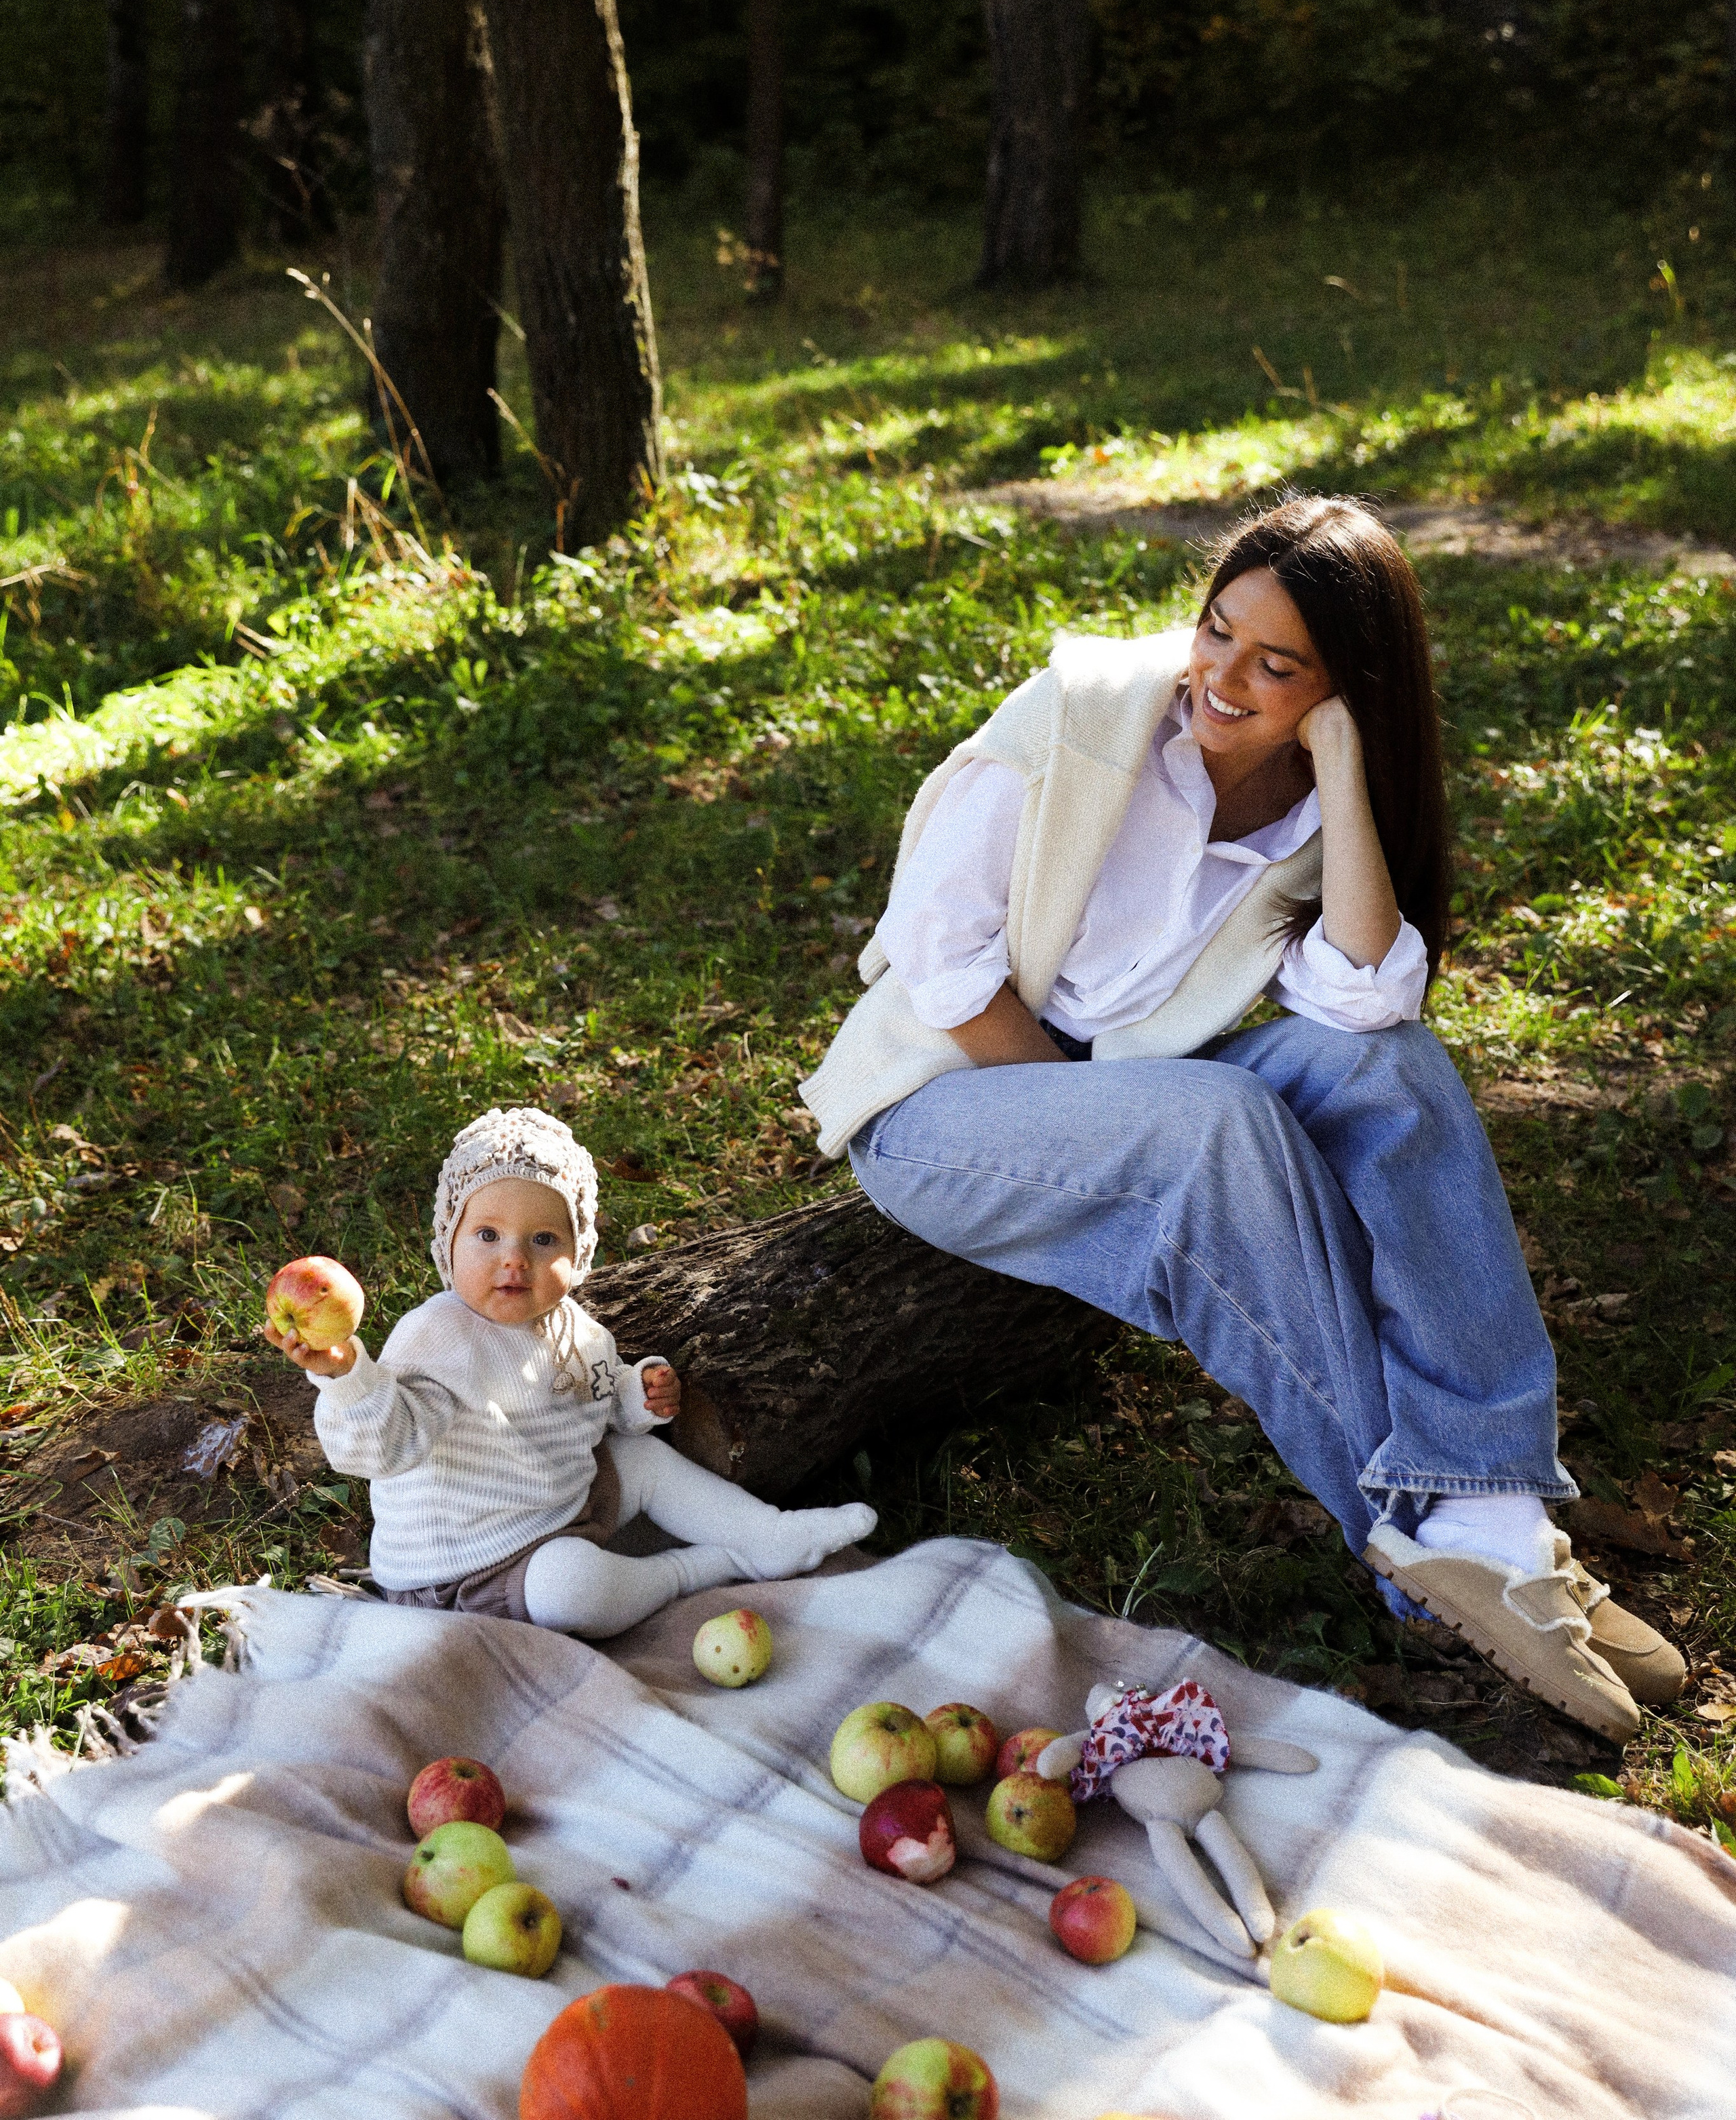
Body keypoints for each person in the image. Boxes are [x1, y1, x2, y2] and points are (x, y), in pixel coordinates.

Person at [801, 494, 1680, 1744]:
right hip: (943, 1108)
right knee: (1216, 1122)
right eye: (1217, 633)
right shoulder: (1084, 714)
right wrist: (1100, 1102)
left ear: (1342, 687)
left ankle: (1493, 1511)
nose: (1224, 677)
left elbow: (1365, 998)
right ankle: (1426, 1551)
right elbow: (940, 957)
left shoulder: (1316, 790)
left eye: (1278, 668)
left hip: (1139, 1092)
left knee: (1395, 1075)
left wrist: (1341, 765)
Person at [264, 1105, 875, 1634]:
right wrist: (346, 1375)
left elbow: (597, 1397)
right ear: (448, 1242)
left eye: (543, 1240)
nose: (514, 1260)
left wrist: (642, 1393)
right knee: (573, 1590)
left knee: (643, 1462)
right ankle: (696, 1569)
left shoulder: (574, 1330)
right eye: (487, 1234)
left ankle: (767, 1535)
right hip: (470, 1570)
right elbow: (383, 1447)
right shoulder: (439, 1334)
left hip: (563, 1511)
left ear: (578, 1252)